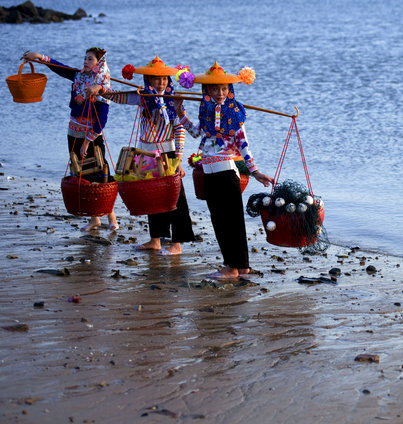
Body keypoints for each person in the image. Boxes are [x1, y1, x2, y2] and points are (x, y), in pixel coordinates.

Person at [175, 61, 273, 279]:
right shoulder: (206, 113)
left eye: (224, 89)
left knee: (231, 222)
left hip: (226, 173)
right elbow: (194, 132)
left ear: (230, 90)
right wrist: (180, 112)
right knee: (219, 221)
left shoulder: (235, 114)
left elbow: (243, 144)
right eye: (215, 89)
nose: (220, 93)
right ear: (207, 90)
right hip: (209, 174)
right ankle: (240, 266)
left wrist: (255, 171)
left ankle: (233, 267)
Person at [102, 56, 194, 255]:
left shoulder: (173, 100)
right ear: (148, 80)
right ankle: (156, 240)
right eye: (156, 79)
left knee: (176, 198)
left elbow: (180, 130)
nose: (161, 83)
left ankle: (177, 243)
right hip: (147, 152)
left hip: (167, 152)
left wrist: (178, 159)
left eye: (164, 79)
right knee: (151, 195)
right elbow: (117, 97)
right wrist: (101, 90)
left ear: (168, 81)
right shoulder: (142, 96)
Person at [22, 48, 119, 232]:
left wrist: (88, 141)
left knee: (100, 172)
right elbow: (58, 67)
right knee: (81, 172)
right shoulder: (79, 77)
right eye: (85, 58)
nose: (85, 61)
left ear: (99, 63)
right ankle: (94, 219)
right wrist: (39, 57)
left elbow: (102, 119)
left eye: (90, 59)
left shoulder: (103, 86)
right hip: (74, 131)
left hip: (92, 134)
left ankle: (111, 215)